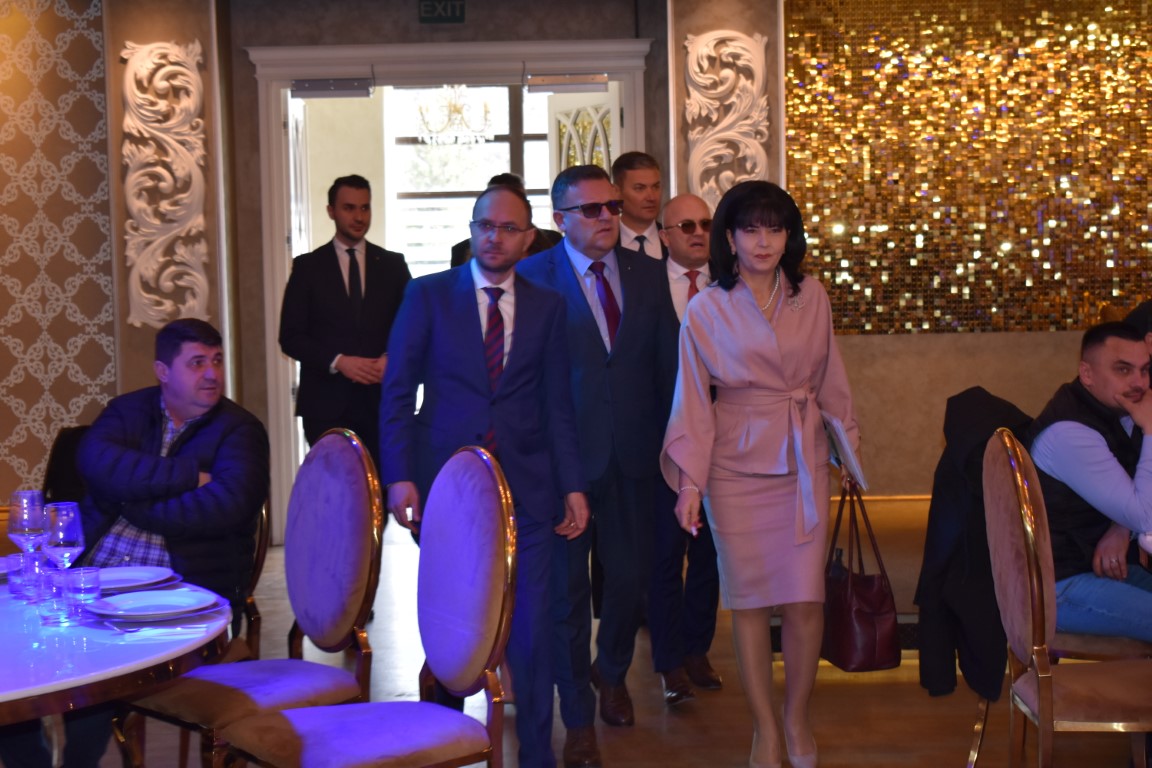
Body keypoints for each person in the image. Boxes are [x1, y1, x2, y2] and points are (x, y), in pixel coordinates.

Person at [378, 184, 590, 768]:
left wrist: (573, 485)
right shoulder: (427, 296)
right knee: (453, 621)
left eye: (508, 228)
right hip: (447, 490)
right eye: (485, 226)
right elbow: (397, 392)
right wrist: (400, 476)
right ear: (472, 230)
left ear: (528, 238)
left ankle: (537, 755)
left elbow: (558, 405)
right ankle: (442, 743)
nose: (495, 237)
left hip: (530, 491)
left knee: (533, 627)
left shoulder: (547, 306)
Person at [0, 318, 270, 768]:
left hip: (180, 592)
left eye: (217, 361)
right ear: (163, 371)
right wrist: (189, 474)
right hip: (91, 578)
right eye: (197, 363)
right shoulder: (128, 410)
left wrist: (131, 500)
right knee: (19, 659)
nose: (212, 374)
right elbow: (95, 461)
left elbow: (225, 505)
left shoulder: (240, 430)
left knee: (89, 676)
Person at [660, 180, 858, 768]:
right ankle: (764, 729)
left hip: (802, 460)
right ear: (730, 238)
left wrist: (846, 451)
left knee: (804, 600)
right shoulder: (706, 307)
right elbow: (693, 399)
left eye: (775, 228)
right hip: (733, 469)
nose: (764, 241)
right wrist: (690, 484)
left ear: (789, 236)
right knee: (747, 603)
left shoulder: (811, 296)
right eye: (751, 229)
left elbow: (831, 378)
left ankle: (797, 718)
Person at [518, 164, 679, 768]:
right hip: (562, 466)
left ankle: (611, 671)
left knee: (630, 578)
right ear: (560, 219)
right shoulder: (531, 277)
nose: (608, 216)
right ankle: (579, 716)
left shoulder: (649, 273)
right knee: (566, 596)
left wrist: (675, 448)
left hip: (635, 456)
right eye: (592, 209)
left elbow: (667, 367)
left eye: (612, 205)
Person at [1026, 321, 1152, 642]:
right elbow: (1145, 515)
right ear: (1087, 374)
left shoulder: (1123, 410)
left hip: (1100, 566)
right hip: (1059, 585)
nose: (1139, 382)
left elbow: (1135, 501)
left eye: (1145, 370)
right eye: (1123, 369)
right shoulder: (1071, 433)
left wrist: (1121, 526)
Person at [278, 174, 411, 473]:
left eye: (365, 208)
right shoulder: (308, 267)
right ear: (331, 211)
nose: (359, 217)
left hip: (381, 403)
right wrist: (339, 361)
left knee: (380, 489)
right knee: (335, 491)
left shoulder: (393, 265)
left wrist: (391, 358)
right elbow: (290, 336)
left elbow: (411, 327)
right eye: (349, 208)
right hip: (326, 407)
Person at [648, 193, 723, 705]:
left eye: (706, 224)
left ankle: (698, 649)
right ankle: (669, 661)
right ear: (664, 236)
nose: (698, 233)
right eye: (687, 225)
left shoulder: (731, 287)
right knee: (664, 556)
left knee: (710, 554)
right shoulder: (643, 285)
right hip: (662, 444)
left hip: (723, 444)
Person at [449, 173, 563, 266]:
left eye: (509, 228)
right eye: (495, 200)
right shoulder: (461, 251)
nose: (496, 238)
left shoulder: (553, 241)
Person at [611, 151, 664, 260]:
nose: (651, 197)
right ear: (617, 192)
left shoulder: (675, 240)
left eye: (655, 187)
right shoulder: (605, 244)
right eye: (640, 188)